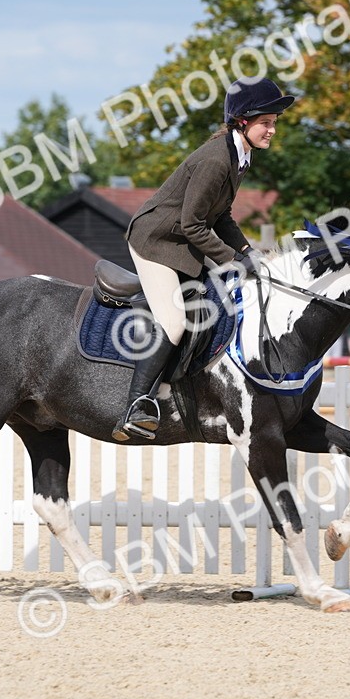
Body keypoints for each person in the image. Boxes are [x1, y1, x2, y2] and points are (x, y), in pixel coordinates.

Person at [112, 77, 296, 442]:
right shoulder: (216, 160)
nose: (273, 130)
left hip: (182, 240)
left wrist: (247, 252)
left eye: (275, 122)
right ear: (243, 121)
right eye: (267, 122)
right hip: (157, 241)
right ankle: (137, 405)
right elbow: (192, 224)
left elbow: (222, 215)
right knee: (175, 320)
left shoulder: (238, 155)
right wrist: (232, 260)